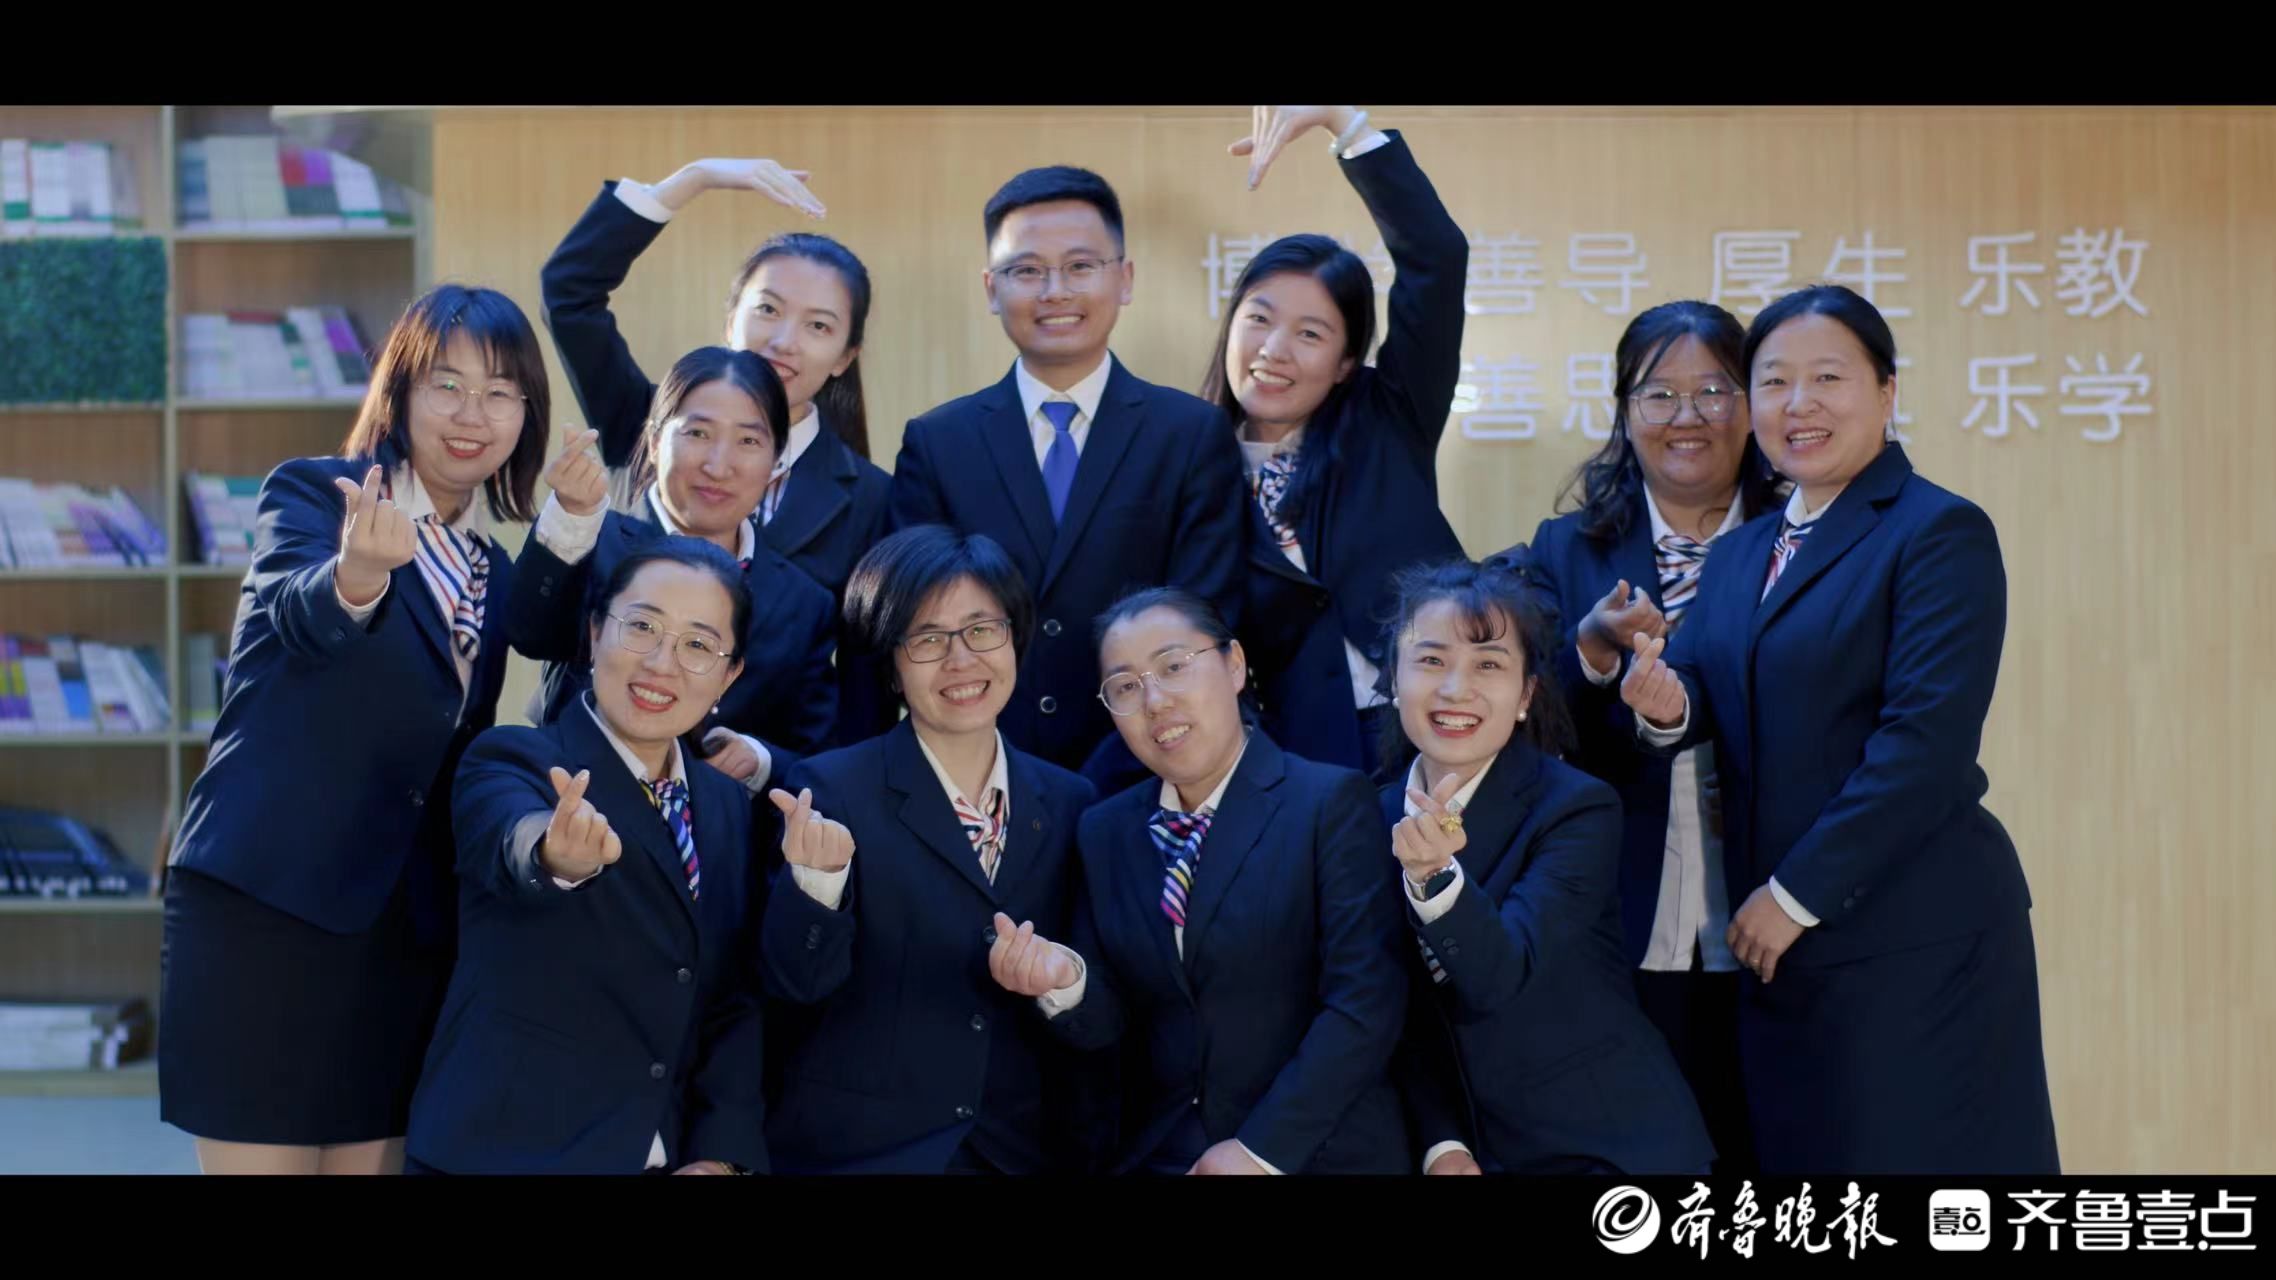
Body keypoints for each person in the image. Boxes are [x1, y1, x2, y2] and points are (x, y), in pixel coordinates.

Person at [1618, 284, 2059, 1174]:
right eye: (1774, 381)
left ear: (1887, 391)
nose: (1798, 404)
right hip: (1781, 954)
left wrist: (1793, 896)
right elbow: (1703, 686)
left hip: (1910, 939)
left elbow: (1923, 747)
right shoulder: (1743, 552)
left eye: (1828, 378)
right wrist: (1665, 706)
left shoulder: (1937, 531)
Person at [159, 284, 554, 1174]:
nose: (472, 415)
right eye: (446, 386)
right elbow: (295, 616)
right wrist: (357, 576)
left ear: (525, 417)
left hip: (404, 929)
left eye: (500, 393)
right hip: (270, 909)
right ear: (400, 392)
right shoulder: (315, 494)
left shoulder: (492, 571)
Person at [989, 588, 1408, 1174]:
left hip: (1312, 1150)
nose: (1155, 701)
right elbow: (1113, 1022)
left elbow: (1365, 1002)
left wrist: (1258, 1153)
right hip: (1161, 1152)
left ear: (1234, 665)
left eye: (1174, 666)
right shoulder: (1106, 830)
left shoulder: (1329, 802)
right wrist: (1067, 981)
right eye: (1125, 687)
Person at [1511, 298, 1780, 1170]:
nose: (1687, 416)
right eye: (1659, 394)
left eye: (1715, 390)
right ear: (1625, 413)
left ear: (1753, 405)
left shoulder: (1805, 543)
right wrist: (1590, 654)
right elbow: (1527, 719)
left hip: (1775, 906)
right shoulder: (1565, 550)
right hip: (1621, 910)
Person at [408, 541, 767, 1175]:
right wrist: (556, 856)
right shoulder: (512, 758)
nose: (661, 663)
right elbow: (513, 841)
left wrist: (721, 1155)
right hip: (510, 1156)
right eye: (643, 626)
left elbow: (728, 999)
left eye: (697, 645)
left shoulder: (727, 805)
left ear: (729, 674)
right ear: (597, 631)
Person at [757, 525, 1097, 1173]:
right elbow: (794, 987)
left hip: (1020, 1153)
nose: (961, 659)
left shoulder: (1072, 801)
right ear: (890, 663)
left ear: (1015, 637)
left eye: (981, 630)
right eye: (928, 639)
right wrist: (818, 887)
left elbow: (1103, 1011)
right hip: (865, 1154)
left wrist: (1065, 982)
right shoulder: (829, 789)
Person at [889, 164, 1245, 775]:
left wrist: (1115, 772)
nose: (1055, 291)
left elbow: (1201, 621)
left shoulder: (1190, 434)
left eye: (1081, 266)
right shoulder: (938, 443)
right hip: (981, 772)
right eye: (1027, 270)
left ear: (1124, 278)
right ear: (991, 288)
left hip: (1147, 771)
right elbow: (917, 627)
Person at [1377, 559, 1713, 1174]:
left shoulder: (1576, 809)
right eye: (1431, 660)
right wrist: (1442, 1143)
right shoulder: (1362, 817)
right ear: (1395, 679)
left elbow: (1502, 973)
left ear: (1526, 696)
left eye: (1488, 665)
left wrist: (1434, 878)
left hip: (1602, 1146)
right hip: (1464, 1146)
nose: (1455, 689)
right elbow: (1388, 1008)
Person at [1202, 104, 1468, 779]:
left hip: (1432, 741)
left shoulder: (1389, 418)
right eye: (1259, 319)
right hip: (1279, 761)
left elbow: (1437, 259)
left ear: (1347, 361)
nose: (1274, 349)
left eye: (1310, 334)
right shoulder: (1188, 461)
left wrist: (1342, 122)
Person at [540, 158, 889, 601]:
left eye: (818, 326)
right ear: (730, 321)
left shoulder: (874, 498)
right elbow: (569, 294)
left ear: (845, 357)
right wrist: (696, 177)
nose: (784, 341)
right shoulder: (652, 421)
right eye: (768, 309)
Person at [507, 347, 837, 786]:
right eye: (698, 433)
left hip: (721, 826)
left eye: (748, 441)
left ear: (778, 462)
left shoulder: (804, 603)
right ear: (655, 439)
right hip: (573, 798)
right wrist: (568, 516)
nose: (718, 466)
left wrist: (761, 761)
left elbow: (820, 756)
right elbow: (530, 632)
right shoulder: (592, 538)